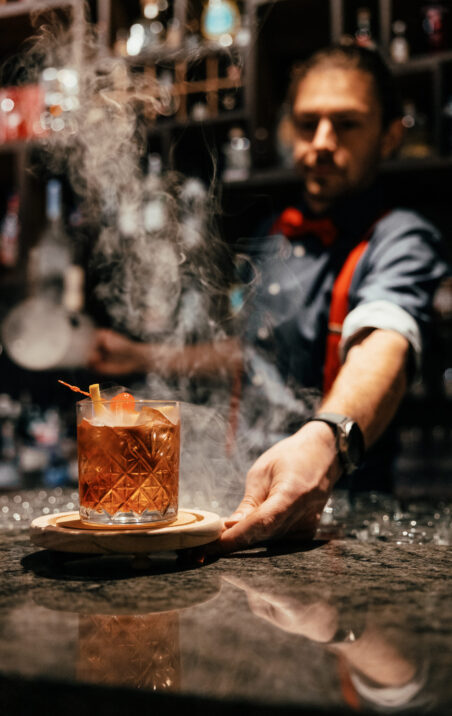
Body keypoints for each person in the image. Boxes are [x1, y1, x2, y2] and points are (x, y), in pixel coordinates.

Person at [88, 44, 450, 552]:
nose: (322, 142)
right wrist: (138, 356)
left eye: (347, 124)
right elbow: (253, 356)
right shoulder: (273, 231)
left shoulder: (403, 239)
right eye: (307, 123)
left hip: (335, 520)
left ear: (390, 136)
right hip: (243, 497)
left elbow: (386, 340)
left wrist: (326, 439)